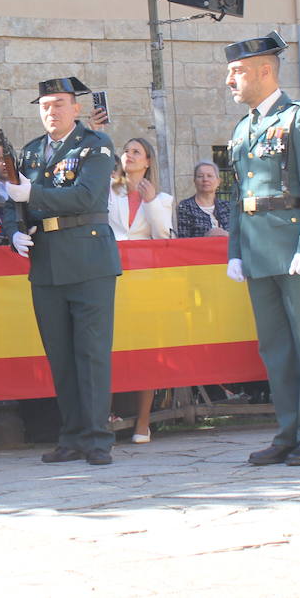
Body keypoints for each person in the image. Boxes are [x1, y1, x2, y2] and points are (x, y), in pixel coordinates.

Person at [224, 32, 300, 467]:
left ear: (264, 70)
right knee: (276, 348)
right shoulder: (242, 128)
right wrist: (235, 249)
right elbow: (238, 196)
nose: (229, 81)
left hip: (294, 247)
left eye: (236, 72)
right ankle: (288, 432)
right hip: (257, 249)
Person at [5, 76, 120, 467]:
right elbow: (12, 201)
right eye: (44, 106)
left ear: (76, 108)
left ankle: (98, 438)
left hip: (88, 258)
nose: (50, 112)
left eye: (58, 104)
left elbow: (86, 196)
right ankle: (71, 436)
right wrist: (13, 231)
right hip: (47, 260)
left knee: (91, 353)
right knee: (61, 356)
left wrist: (32, 194)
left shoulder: (95, 145)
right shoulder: (32, 152)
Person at [106, 137, 170, 445]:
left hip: (144, 283)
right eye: (126, 150)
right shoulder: (106, 190)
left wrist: (151, 202)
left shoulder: (163, 198)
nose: (128, 155)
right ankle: (104, 416)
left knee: (146, 349)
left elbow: (163, 237)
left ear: (147, 162)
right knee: (106, 346)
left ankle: (143, 422)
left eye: (136, 152)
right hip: (110, 277)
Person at [176, 161, 230, 239]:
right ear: (194, 181)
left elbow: (238, 235)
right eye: (200, 176)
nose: (205, 179)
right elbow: (183, 239)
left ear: (218, 181)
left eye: (210, 176)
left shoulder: (227, 206)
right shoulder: (185, 206)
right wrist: (206, 237)